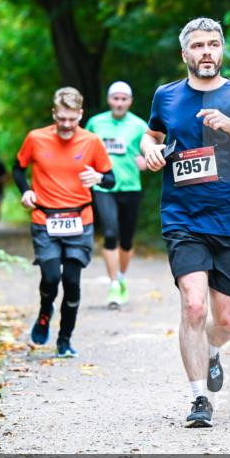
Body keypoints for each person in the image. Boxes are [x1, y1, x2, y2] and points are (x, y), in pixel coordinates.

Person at [141, 17, 230, 428]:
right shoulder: (166, 96)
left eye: (213, 44)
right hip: (183, 217)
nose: (207, 52)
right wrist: (151, 152)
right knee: (193, 306)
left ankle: (213, 350)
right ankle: (199, 399)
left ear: (222, 50)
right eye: (198, 46)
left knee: (226, 320)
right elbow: (151, 137)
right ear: (185, 54)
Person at [13, 87, 116, 358]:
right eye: (61, 119)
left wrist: (98, 178)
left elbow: (110, 178)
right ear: (54, 114)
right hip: (44, 218)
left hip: (79, 220)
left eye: (72, 119)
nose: (67, 125)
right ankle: (46, 310)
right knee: (51, 277)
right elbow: (17, 167)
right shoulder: (36, 138)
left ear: (80, 115)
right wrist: (25, 190)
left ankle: (65, 339)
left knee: (71, 282)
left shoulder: (92, 141)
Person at [86, 81, 149, 308]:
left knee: (127, 239)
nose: (119, 103)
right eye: (116, 98)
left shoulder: (140, 125)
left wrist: (147, 162)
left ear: (130, 101)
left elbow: (154, 151)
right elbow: (84, 149)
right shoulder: (95, 123)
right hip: (103, 186)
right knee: (110, 232)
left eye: (124, 99)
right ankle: (114, 284)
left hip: (131, 186)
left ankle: (121, 277)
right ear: (109, 99)